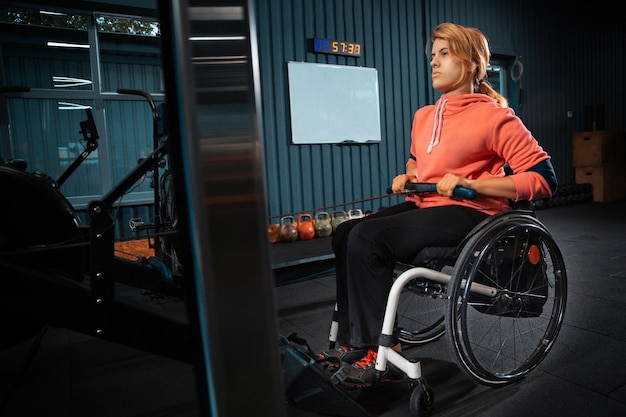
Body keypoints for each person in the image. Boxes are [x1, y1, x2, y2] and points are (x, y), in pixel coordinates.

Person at [319, 22, 558, 389]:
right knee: (344, 234)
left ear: (473, 64)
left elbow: (544, 179)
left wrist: (473, 184)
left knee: (367, 238)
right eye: (433, 55)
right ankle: (354, 341)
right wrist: (409, 173)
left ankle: (379, 349)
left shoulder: (496, 117)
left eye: (444, 54)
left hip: (474, 213)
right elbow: (418, 159)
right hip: (426, 204)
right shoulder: (424, 116)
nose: (434, 62)